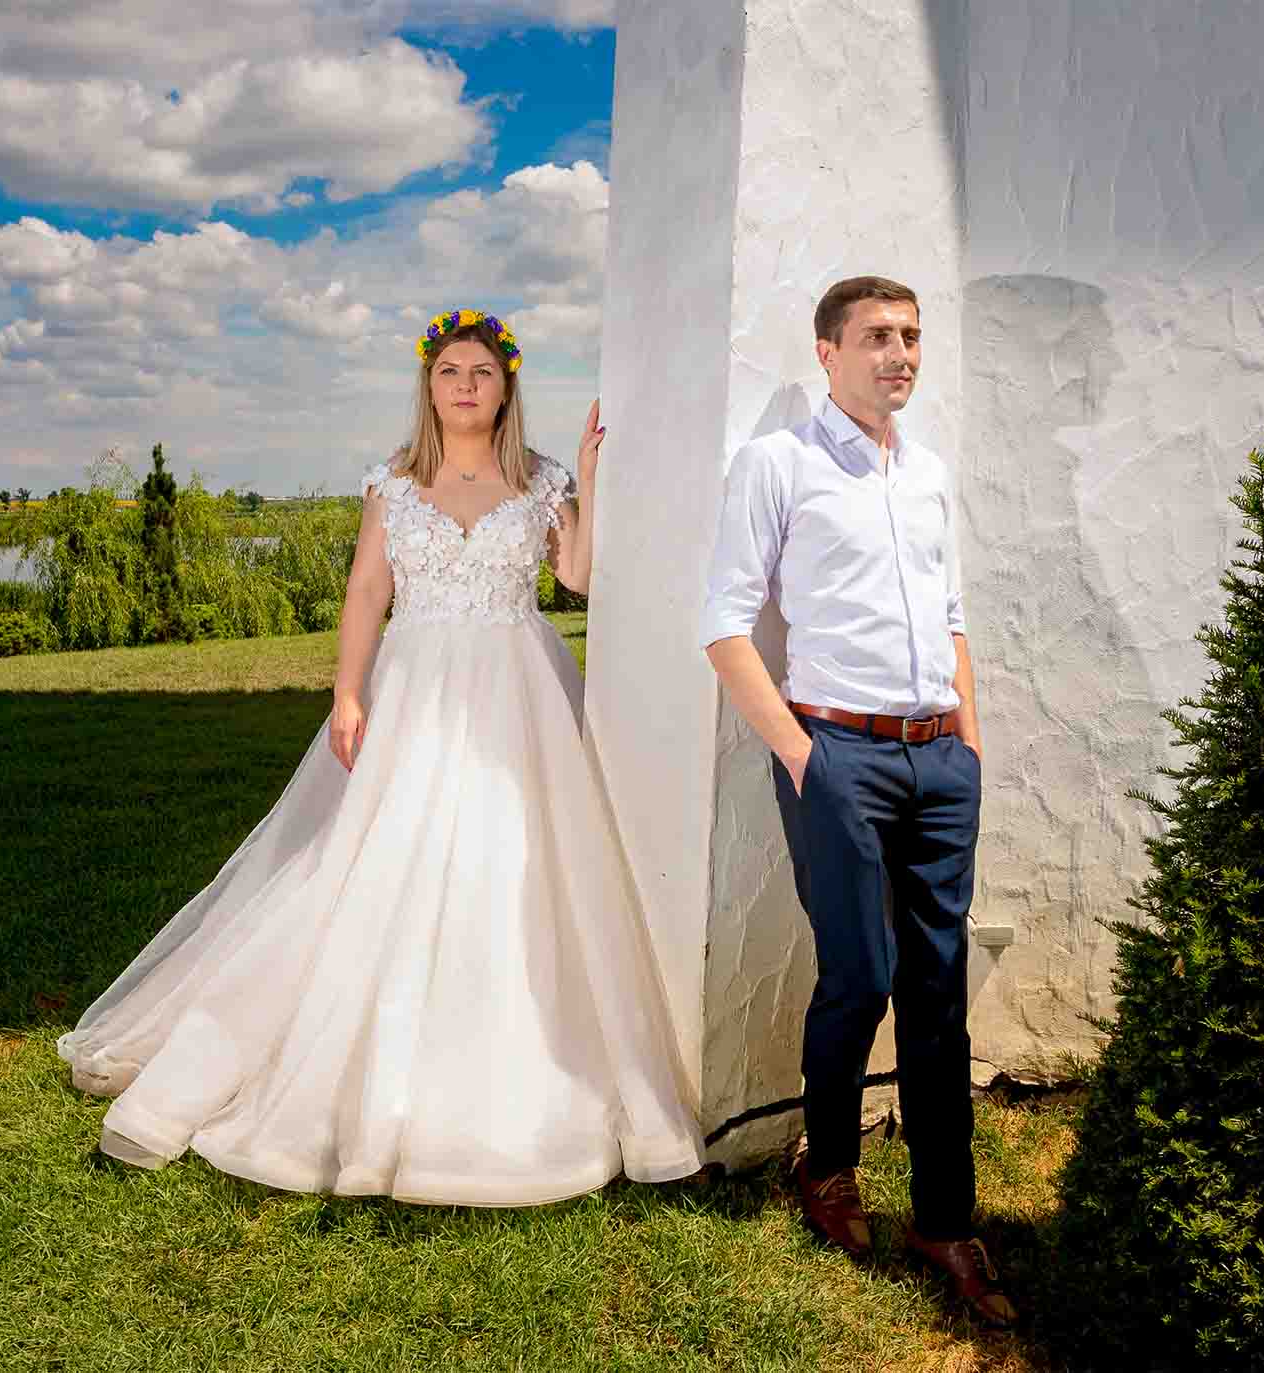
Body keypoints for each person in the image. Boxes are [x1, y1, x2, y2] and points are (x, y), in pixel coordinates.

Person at [58, 308, 702, 1206]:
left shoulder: (544, 478)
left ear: (506, 386)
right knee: (373, 860)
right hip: (417, 684)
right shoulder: (393, 485)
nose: (465, 385)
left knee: (517, 861)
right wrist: (348, 691)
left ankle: (508, 1061)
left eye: (481, 372)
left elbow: (579, 580)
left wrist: (590, 481)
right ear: (428, 387)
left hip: (517, 684)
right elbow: (367, 588)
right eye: (449, 373)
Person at [699, 277, 1016, 1326]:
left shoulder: (924, 474)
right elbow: (724, 622)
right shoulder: (777, 464)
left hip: (937, 763)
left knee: (936, 986)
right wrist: (800, 752)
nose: (901, 354)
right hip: (837, 752)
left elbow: (953, 614)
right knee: (862, 972)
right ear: (828, 352)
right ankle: (827, 1162)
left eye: (912, 337)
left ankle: (944, 1215)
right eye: (878, 336)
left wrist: (965, 742)